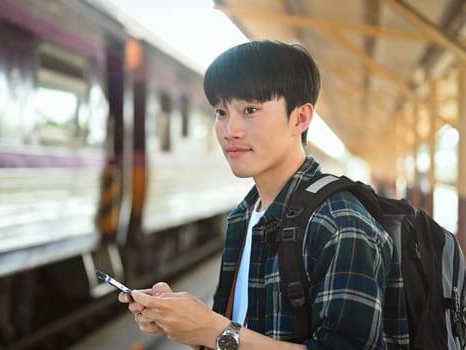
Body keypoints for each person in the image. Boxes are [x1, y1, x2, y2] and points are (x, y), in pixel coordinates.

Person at [119, 40, 410, 349]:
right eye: (221, 111)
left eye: (250, 109)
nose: (230, 129)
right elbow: (238, 338)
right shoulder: (245, 214)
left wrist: (213, 331)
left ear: (300, 118)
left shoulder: (340, 223)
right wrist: (187, 322)